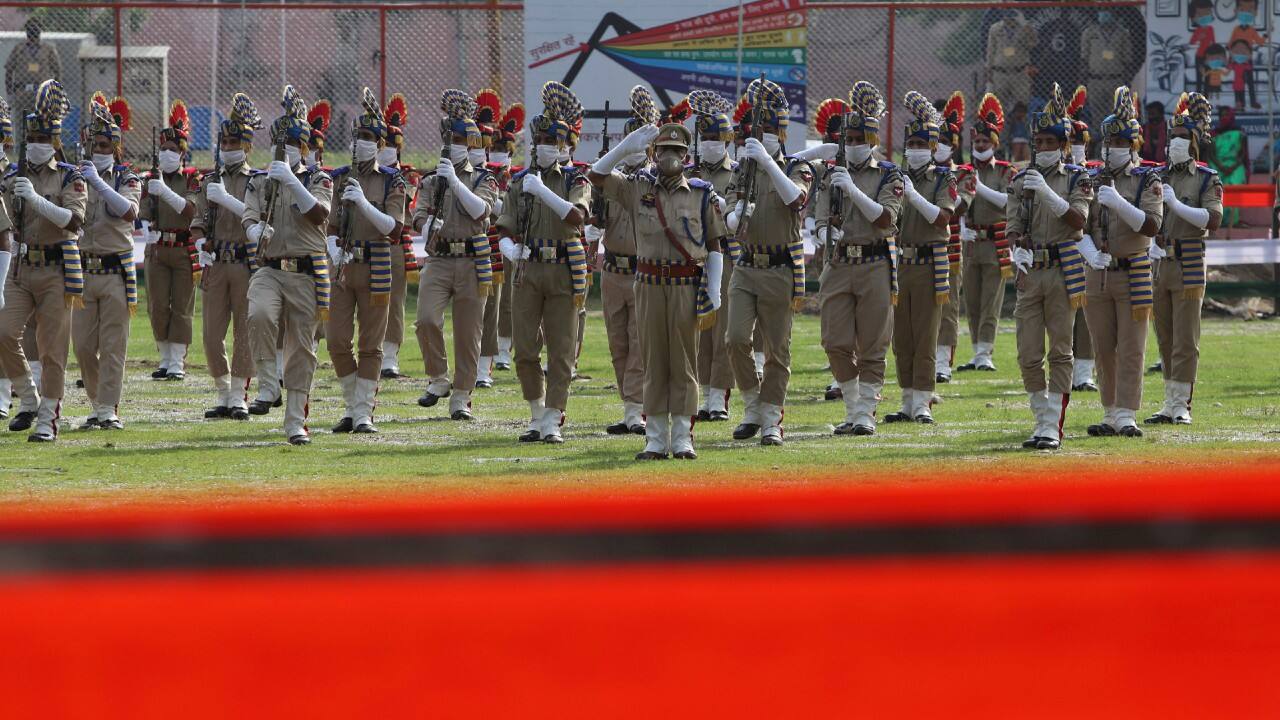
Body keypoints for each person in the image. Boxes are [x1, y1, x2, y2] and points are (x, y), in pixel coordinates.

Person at [591, 121, 725, 459]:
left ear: (687, 155)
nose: (671, 157)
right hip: (649, 284)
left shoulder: (700, 193)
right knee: (653, 361)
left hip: (685, 285)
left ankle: (681, 436)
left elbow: (713, 244)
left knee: (683, 361)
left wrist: (714, 288)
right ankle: (654, 437)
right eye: (664, 150)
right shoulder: (638, 188)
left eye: (678, 151)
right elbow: (597, 175)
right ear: (654, 152)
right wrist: (624, 148)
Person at [495, 81, 590, 444]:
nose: (547, 148)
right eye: (542, 141)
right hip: (529, 268)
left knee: (561, 348)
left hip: (564, 269)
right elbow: (506, 223)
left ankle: (553, 417)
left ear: (566, 146)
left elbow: (576, 217)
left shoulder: (575, 178)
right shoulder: (521, 181)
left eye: (554, 142)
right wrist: (507, 246)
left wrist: (544, 191)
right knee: (524, 348)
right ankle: (536, 413)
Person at [723, 78, 813, 446]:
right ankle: (752, 406)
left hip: (779, 268)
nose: (760, 137)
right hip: (746, 266)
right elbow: (729, 218)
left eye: (769, 131)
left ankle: (772, 418)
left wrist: (767, 162)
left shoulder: (795, 166)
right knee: (735, 339)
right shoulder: (741, 170)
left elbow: (796, 200)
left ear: (781, 133)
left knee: (777, 349)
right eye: (755, 132)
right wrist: (734, 213)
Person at [242, 85, 333, 446]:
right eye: (282, 144)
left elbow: (319, 214)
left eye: (294, 144)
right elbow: (248, 219)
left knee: (301, 348)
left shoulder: (318, 179)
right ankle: (267, 385)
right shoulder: (261, 181)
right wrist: (254, 231)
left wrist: (292, 181)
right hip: (271, 267)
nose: (289, 150)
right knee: (259, 315)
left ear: (305, 149)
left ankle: (295, 421)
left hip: (307, 273)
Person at [1005, 84, 1092, 451]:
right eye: (1037, 142)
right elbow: (1012, 227)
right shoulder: (1019, 180)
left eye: (1047, 142)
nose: (1041, 148)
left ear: (1062, 145)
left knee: (1060, 349)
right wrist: (1017, 249)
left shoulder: (1077, 178)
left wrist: (1048, 193)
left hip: (1062, 268)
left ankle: (1051, 425)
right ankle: (1041, 415)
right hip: (1031, 271)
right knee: (1027, 352)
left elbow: (1078, 222)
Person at [813, 81, 901, 435]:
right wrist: (823, 233)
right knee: (834, 341)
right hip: (839, 262)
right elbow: (820, 216)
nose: (852, 145)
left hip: (874, 261)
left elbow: (886, 219)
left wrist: (851, 188)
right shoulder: (831, 172)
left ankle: (865, 413)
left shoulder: (889, 174)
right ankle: (853, 406)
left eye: (858, 139)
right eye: (847, 140)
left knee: (873, 345)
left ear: (873, 141)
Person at [0, 80, 85, 441]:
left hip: (55, 267)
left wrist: (35, 199)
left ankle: (49, 417)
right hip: (21, 266)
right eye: (30, 137)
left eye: (41, 138)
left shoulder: (69, 175)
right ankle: (29, 398)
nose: (35, 144)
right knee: (3, 331)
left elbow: (74, 221)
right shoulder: (12, 173)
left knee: (52, 348)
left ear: (53, 141)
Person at [1078, 86, 1163, 439]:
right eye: (1108, 142)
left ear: (1133, 146)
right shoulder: (1093, 177)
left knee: (1131, 345)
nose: (1111, 149)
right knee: (1103, 346)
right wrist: (1087, 251)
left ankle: (1127, 412)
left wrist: (1118, 203)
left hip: (1134, 270)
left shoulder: (1148, 179)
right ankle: (1111, 411)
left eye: (1119, 144)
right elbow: (1077, 224)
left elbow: (1152, 224)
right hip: (1097, 272)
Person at [413, 89, 497, 422]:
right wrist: (425, 227)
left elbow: (481, 212)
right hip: (440, 257)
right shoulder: (433, 179)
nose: (457, 144)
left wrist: (457, 183)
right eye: (452, 138)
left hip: (473, 258)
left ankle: (461, 397)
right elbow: (417, 214)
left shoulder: (482, 177)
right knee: (426, 319)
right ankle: (438, 378)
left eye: (462, 139)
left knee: (468, 332)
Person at [327, 88, 406, 433]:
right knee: (336, 340)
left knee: (371, 344)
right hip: (345, 265)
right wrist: (332, 246)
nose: (361, 142)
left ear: (380, 142)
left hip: (376, 263)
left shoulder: (392, 181)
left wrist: (364, 203)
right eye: (358, 136)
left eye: (368, 137)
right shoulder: (341, 177)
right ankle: (351, 402)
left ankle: (362, 412)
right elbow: (330, 223)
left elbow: (394, 229)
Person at [1148, 92, 1221, 426]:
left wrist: (1177, 205)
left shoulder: (1207, 177)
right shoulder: (1157, 176)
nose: (1174, 142)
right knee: (1164, 335)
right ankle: (1169, 399)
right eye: (1172, 136)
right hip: (1160, 262)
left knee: (1185, 337)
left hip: (1190, 259)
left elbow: (1213, 219)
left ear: (1193, 142)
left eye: (1181, 137)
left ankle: (1182, 404)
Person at [882, 91, 956, 424]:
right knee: (903, 336)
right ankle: (907, 398)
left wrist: (914, 195)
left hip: (930, 261)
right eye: (909, 143)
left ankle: (923, 399)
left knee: (926, 333)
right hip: (902, 260)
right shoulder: (896, 177)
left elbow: (943, 218)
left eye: (919, 144)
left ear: (932, 147)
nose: (913, 149)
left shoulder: (944, 178)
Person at [190, 93, 262, 421]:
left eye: (234, 142)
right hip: (217, 262)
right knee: (210, 333)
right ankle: (222, 392)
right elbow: (198, 221)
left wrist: (231, 200)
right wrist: (202, 242)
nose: (228, 147)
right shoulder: (210, 180)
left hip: (246, 263)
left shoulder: (257, 181)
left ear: (246, 146)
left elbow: (261, 221)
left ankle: (239, 396)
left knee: (245, 332)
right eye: (224, 141)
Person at [71, 94, 140, 431]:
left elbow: (127, 211)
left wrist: (97, 181)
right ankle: (99, 403)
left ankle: (108, 408)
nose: (98, 150)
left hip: (115, 271)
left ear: (114, 147)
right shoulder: (76, 175)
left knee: (113, 346)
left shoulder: (127, 178)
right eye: (94, 143)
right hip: (83, 269)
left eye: (104, 145)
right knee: (83, 346)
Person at [595, 86, 656, 436]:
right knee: (618, 344)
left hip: (641, 272)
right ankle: (631, 404)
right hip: (612, 270)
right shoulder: (614, 178)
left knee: (639, 343)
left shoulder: (654, 179)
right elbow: (596, 183)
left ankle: (636, 409)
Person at [140, 100, 200, 382]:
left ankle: (177, 360)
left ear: (182, 154)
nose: (166, 154)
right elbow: (142, 212)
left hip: (183, 247)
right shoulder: (152, 178)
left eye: (172, 150)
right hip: (158, 247)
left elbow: (190, 212)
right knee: (157, 304)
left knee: (182, 305)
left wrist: (164, 191)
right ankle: (164, 358)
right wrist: (145, 228)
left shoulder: (190, 179)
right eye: (163, 149)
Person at [687, 91, 738, 422]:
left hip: (726, 256)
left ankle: (718, 396)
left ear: (727, 140)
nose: (709, 143)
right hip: (690, 257)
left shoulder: (736, 172)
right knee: (695, 328)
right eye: (704, 137)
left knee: (721, 328)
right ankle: (700, 393)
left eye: (715, 138)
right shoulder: (688, 172)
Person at [957, 93, 1013, 373]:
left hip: (995, 241)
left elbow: (1007, 202)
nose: (980, 146)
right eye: (977, 142)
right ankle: (976, 350)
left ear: (994, 144)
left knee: (991, 300)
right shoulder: (963, 171)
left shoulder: (1004, 171)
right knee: (973, 300)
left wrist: (979, 187)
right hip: (970, 242)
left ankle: (985, 353)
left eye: (985, 142)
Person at [377, 93, 419, 381]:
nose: (386, 148)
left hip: (394, 245)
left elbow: (406, 207)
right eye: (382, 143)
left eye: (391, 144)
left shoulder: (409, 176)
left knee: (394, 300)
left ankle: (389, 356)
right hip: (364, 245)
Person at [933, 92, 973, 384]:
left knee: (948, 307)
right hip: (918, 249)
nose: (939, 147)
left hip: (949, 249)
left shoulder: (964, 174)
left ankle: (943, 361)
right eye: (936, 141)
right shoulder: (918, 173)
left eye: (945, 141)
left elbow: (958, 208)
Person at [1064, 87, 1098, 392]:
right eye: (1071, 141)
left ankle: (1085, 371)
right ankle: (1063, 366)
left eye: (1080, 141)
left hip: (1089, 249)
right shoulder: (1056, 174)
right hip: (1060, 248)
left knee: (1085, 312)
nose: (1076, 147)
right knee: (1061, 313)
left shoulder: (1097, 172)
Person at [1080, 9, 1133, 145]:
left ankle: (1114, 144)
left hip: (1115, 79)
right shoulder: (1089, 32)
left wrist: (1127, 83)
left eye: (1107, 10)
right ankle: (1101, 147)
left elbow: (1127, 60)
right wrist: (1083, 81)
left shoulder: (1123, 33)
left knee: (1115, 114)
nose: (1104, 14)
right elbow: (1084, 59)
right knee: (1097, 116)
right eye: (1102, 10)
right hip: (1095, 80)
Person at [4, 19, 61, 114]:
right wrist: (10, 94)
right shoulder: (18, 48)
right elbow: (9, 70)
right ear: (26, 31)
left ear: (40, 30)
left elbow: (57, 71)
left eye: (35, 27)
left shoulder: (48, 49)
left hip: (43, 93)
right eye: (30, 28)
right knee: (23, 123)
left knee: (42, 124)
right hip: (22, 93)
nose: (33, 30)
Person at [985, 10, 1037, 108]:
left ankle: (1022, 122)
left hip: (1020, 73)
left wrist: (1026, 26)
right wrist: (989, 74)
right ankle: (1003, 123)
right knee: (999, 107)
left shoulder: (1024, 28)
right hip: (1000, 73)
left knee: (1023, 104)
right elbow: (990, 52)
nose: (1009, 19)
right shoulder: (995, 29)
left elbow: (1033, 43)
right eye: (1006, 17)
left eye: (1012, 17)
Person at [1210, 107, 1247, 227]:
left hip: (1235, 165)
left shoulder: (1240, 132)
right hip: (1217, 164)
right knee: (1218, 189)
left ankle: (1233, 222)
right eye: (1221, 115)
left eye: (1226, 115)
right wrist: (1221, 166)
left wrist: (1232, 167)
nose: (1223, 117)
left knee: (1234, 185)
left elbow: (1243, 154)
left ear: (1232, 116)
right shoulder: (1214, 133)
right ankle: (1219, 221)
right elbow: (1211, 154)